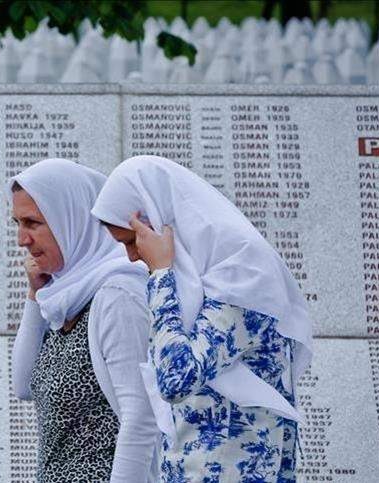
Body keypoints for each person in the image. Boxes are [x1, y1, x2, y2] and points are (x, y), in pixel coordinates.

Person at [91, 155, 313, 482]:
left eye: (131, 240)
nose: (133, 256)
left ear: (158, 218)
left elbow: (176, 379)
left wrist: (162, 273)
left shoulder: (242, 273)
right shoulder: (201, 277)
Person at [9, 158, 160, 483]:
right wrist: (35, 297)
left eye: (33, 223)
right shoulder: (65, 298)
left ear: (70, 219)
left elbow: (141, 416)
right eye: (17, 224)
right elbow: (23, 386)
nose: (22, 239)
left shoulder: (117, 294)